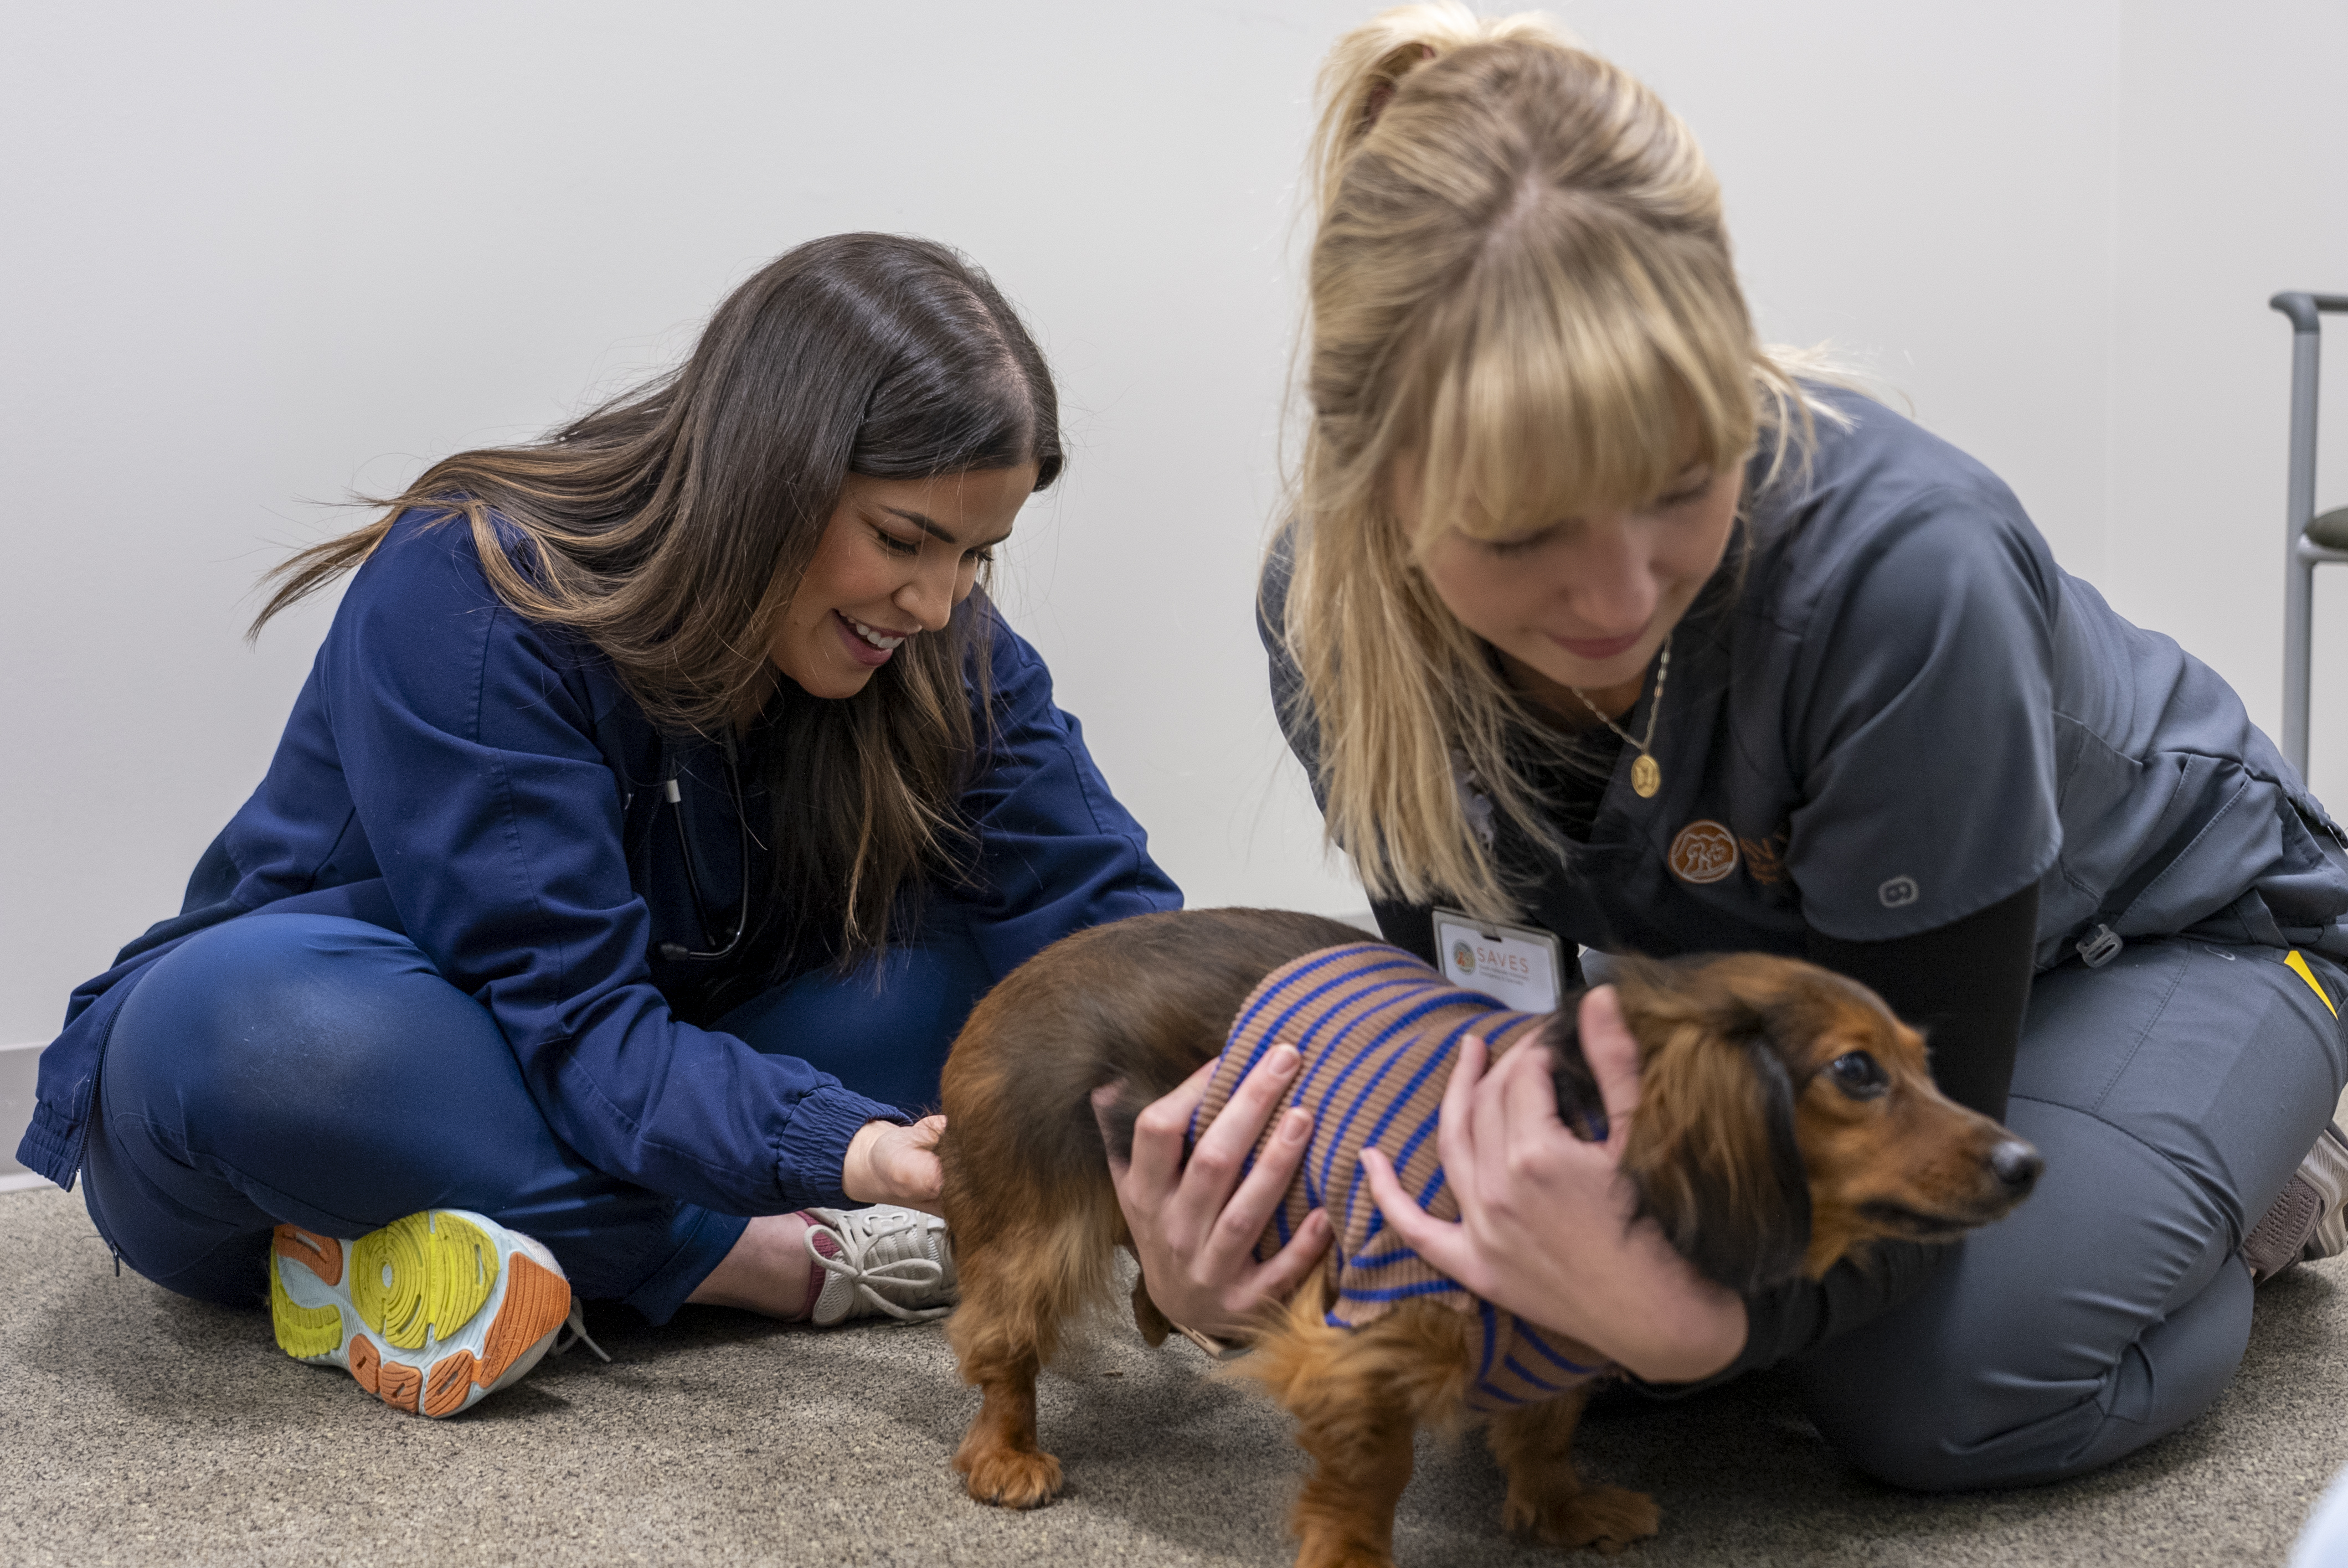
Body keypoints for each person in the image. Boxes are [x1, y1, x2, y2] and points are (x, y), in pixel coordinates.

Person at [1102, 3, 2348, 1491]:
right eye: (1522, 533)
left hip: (2168, 938)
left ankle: (2259, 1186)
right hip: (1819, 1001)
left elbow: (1906, 1103)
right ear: (1380, 491)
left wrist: (1690, 1328)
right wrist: (1232, 1269)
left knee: (1937, 1387)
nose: (1621, 599)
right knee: (1563, 1325)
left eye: (1679, 486)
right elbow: (1490, 1038)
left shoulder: (1906, 576)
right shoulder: (1329, 619)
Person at [17, 233, 1180, 1416]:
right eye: (901, 539)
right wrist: (859, 1157)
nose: (932, 604)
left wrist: (1220, 1127)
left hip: (653, 1071)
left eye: (975, 557)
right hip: (382, 1091)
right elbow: (580, 1028)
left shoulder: (940, 646)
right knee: (239, 1026)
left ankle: (425, 1265)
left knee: (1000, 997)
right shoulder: (470, 582)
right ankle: (760, 1261)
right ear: (769, 472)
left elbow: (1107, 922)